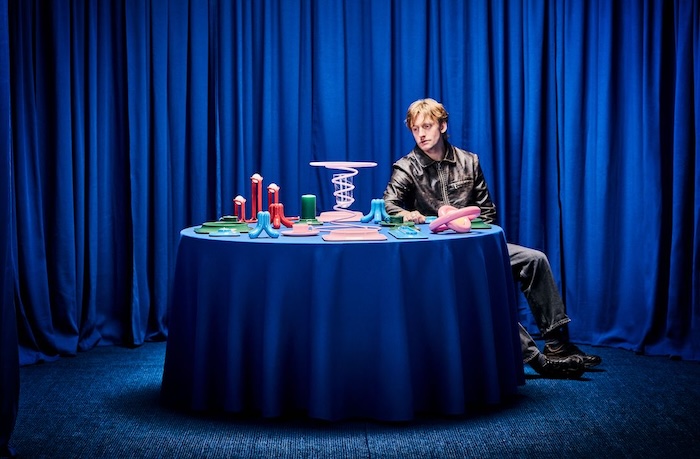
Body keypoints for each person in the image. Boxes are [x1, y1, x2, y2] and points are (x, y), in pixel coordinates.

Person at [383, 98, 602, 379]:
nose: (421, 134)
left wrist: (465, 227)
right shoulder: (406, 167)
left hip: (475, 245)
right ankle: (535, 359)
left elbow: (487, 212)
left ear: (443, 126)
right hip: (439, 256)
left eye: (427, 126)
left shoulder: (469, 162)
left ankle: (557, 345)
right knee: (481, 285)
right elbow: (390, 205)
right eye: (415, 129)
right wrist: (410, 214)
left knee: (535, 259)